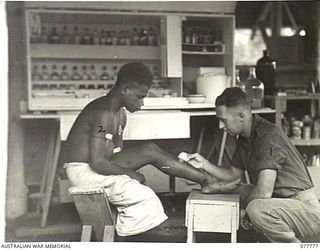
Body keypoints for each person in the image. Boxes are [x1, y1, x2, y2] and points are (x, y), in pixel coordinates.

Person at [63, 62, 241, 237]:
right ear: (124, 89)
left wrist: (127, 172)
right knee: (144, 193)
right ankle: (121, 234)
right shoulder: (104, 113)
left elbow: (114, 154)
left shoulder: (120, 114)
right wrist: (131, 175)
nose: (142, 103)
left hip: (100, 163)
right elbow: (97, 162)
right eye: (139, 97)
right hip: (83, 170)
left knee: (151, 150)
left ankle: (207, 181)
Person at [188, 87, 320, 243]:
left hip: (304, 209)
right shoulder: (246, 136)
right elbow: (233, 174)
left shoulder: (268, 136)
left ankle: (292, 245)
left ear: (241, 116)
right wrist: (204, 164)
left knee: (256, 208)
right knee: (238, 189)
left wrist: (244, 212)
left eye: (223, 120)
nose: (220, 126)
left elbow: (264, 193)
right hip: (280, 202)